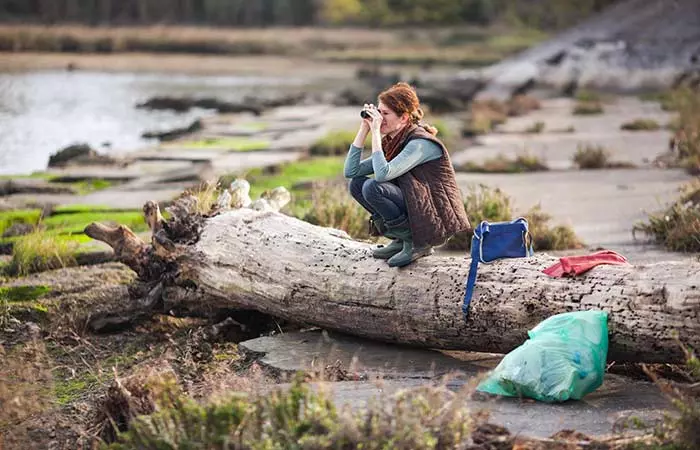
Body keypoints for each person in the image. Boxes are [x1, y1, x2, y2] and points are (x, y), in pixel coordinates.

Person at [343, 82, 470, 267]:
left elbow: (382, 175)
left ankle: (417, 244)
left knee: (373, 187)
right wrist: (364, 128)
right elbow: (351, 171)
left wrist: (376, 132)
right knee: (356, 184)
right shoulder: (395, 141)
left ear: (403, 118)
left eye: (385, 114)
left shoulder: (420, 143)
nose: (379, 118)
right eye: (378, 112)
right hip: (416, 206)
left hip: (433, 218)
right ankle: (400, 240)